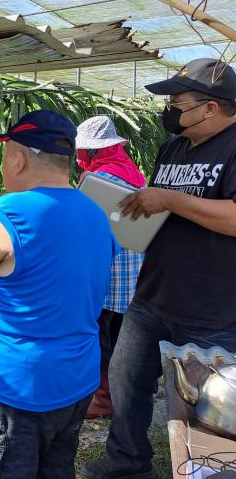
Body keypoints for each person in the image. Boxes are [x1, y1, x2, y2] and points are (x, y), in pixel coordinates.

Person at [0, 109, 117, 479]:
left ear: (18, 159)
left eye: (6, 154)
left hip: (10, 388)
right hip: (74, 381)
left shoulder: (10, 213)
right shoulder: (96, 213)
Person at [80, 58, 236, 479]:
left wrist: (168, 199)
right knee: (126, 377)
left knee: (212, 401)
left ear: (210, 107)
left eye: (176, 103)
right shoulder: (173, 147)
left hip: (214, 305)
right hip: (154, 291)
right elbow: (161, 208)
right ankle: (128, 458)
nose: (168, 111)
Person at [75, 116, 146, 419]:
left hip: (108, 269)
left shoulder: (98, 181)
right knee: (119, 333)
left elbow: (79, 224)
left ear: (91, 151)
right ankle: (120, 392)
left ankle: (103, 398)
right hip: (133, 267)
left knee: (101, 334)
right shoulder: (134, 174)